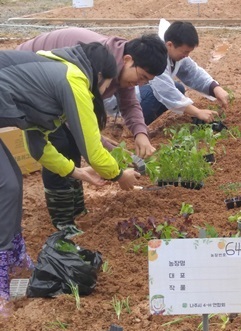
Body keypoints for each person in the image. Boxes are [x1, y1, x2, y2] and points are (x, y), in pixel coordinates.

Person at [0, 42, 140, 315]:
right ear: (99, 76)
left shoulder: (53, 78)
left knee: (11, 182)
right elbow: (93, 150)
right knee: (7, 185)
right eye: (107, 86)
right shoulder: (73, 78)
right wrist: (119, 174)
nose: (103, 94)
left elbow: (37, 146)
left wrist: (77, 173)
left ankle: (14, 258)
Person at [17, 28, 168, 235]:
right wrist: (117, 167)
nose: (140, 84)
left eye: (146, 81)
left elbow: (129, 102)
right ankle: (62, 219)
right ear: (128, 59)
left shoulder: (121, 65)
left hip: (56, 81)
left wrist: (141, 133)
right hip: (30, 70)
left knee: (71, 143)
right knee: (60, 144)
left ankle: (76, 207)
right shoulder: (98, 67)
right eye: (141, 77)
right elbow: (82, 131)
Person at [138, 20, 230, 125]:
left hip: (142, 92)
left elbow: (192, 73)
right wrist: (197, 112)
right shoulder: (155, 56)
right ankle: (135, 125)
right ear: (170, 45)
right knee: (153, 94)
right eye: (185, 51)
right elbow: (165, 91)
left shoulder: (173, 52)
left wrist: (215, 88)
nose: (187, 55)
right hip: (128, 97)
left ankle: (144, 123)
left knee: (178, 88)